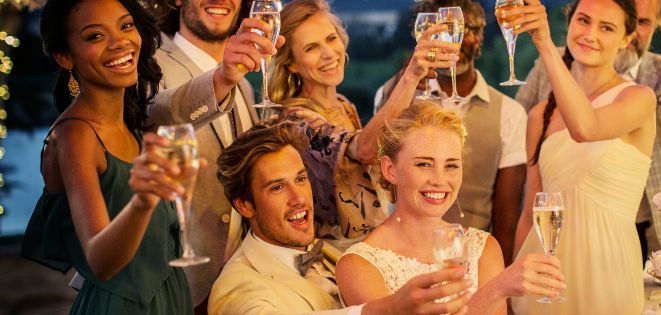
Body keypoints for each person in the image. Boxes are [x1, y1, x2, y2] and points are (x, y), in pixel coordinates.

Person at [514, 0, 661, 254]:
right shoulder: (550, 68)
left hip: (658, 239)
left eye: (643, 22)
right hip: (560, 238)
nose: (592, 34)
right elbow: (516, 135)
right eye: (585, 20)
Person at [21, 0, 194, 313]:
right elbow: (100, 262)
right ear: (65, 57)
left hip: (170, 298)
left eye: (126, 25)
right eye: (95, 36)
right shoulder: (76, 136)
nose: (120, 42)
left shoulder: (130, 121)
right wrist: (143, 201)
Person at [209, 120, 473, 315]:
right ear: (244, 205)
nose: (298, 197)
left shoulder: (334, 253)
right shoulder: (237, 289)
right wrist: (387, 309)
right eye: (277, 187)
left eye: (300, 179)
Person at [336, 103, 565, 315]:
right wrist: (497, 289)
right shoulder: (358, 265)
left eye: (451, 165)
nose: (439, 179)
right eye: (424, 164)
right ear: (390, 170)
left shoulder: (482, 248)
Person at [268, 0, 460, 251]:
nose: (328, 53)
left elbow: (375, 155)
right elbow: (366, 150)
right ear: (291, 62)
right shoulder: (296, 120)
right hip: (334, 257)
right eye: (312, 47)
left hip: (373, 245)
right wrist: (411, 76)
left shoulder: (343, 105)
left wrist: (406, 81)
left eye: (331, 38)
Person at [508, 0, 655, 313]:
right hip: (545, 281)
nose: (590, 34)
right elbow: (529, 212)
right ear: (570, 22)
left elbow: (586, 127)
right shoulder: (540, 116)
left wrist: (544, 43)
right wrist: (511, 286)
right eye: (583, 21)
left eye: (606, 28)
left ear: (627, 39)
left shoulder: (638, 99)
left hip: (609, 273)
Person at [146, 0, 282, 308]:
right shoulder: (146, 61)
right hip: (171, 284)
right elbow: (156, 114)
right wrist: (221, 78)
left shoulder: (246, 88)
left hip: (236, 286)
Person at [373, 0, 527, 265]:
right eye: (438, 31)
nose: (453, 42)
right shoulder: (394, 97)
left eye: (465, 30)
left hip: (471, 260)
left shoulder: (511, 113)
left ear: (480, 37)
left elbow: (506, 218)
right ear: (421, 37)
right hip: (400, 254)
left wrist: (500, 284)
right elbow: (379, 175)